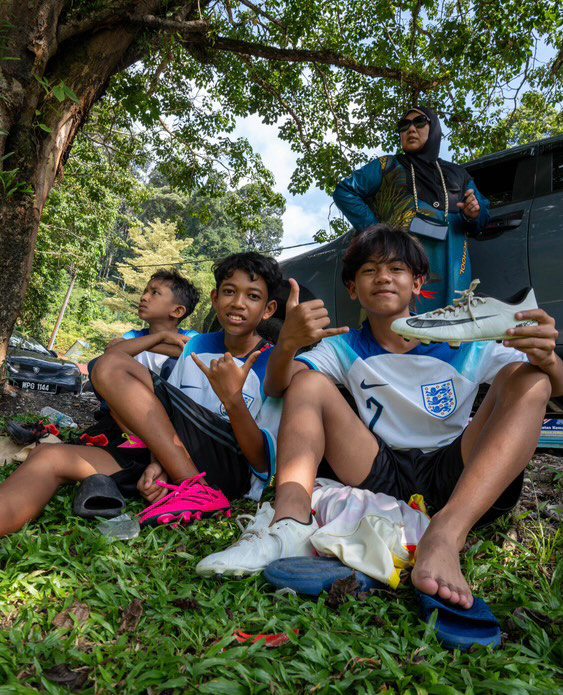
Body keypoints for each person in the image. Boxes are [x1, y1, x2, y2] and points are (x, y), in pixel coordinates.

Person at [196, 225, 562, 610]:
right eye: (369, 270)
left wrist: (548, 357)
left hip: (455, 476)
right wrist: (287, 343)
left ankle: (446, 535)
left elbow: (555, 387)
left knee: (532, 378)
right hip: (379, 472)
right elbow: (277, 386)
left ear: (418, 283)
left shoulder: (467, 339)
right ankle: (289, 523)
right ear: (352, 289)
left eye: (396, 269)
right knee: (308, 382)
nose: (383, 277)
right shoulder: (343, 346)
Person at [0, 252, 282, 535]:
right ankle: (187, 483)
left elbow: (261, 463)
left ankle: (195, 488)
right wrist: (159, 464)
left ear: (268, 309)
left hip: (228, 471)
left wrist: (233, 401)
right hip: (177, 461)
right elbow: (167, 421)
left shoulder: (273, 363)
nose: (238, 302)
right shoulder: (197, 348)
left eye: (252, 296)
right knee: (47, 457)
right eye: (229, 291)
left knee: (111, 365)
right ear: (215, 298)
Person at [333, 106, 489, 311]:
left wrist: (474, 213)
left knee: (452, 318)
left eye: (419, 122)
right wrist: (376, 231)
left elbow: (482, 217)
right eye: (404, 125)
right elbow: (345, 191)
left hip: (451, 259)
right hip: (401, 258)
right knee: (401, 320)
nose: (411, 129)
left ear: (434, 129)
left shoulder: (457, 174)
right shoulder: (388, 166)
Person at [87, 270, 200, 412]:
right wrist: (162, 336)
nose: (144, 297)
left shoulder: (190, 335)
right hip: (131, 402)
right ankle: (113, 415)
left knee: (173, 363)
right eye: (145, 291)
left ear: (177, 311)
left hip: (170, 408)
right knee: (97, 363)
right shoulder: (133, 335)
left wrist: (141, 345)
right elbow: (111, 351)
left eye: (155, 293)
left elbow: (189, 352)